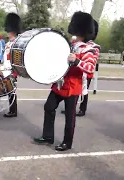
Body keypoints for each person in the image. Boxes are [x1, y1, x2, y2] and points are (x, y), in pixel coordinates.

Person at [33, 11, 97, 151]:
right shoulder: (71, 44)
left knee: (70, 117)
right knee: (49, 107)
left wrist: (77, 61)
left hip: (73, 86)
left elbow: (90, 68)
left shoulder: (89, 49)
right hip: (60, 83)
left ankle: (67, 143)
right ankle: (48, 136)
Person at [61, 19, 100, 117]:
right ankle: (70, 108)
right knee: (74, 91)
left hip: (87, 72)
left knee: (84, 91)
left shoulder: (94, 46)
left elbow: (92, 61)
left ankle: (82, 109)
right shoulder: (77, 44)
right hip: (78, 70)